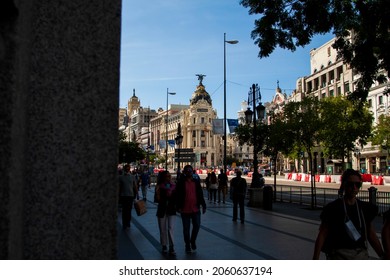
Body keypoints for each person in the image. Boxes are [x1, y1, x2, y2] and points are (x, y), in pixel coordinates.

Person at [312, 169, 384, 260]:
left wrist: (382, 255)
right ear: (344, 185)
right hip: (338, 255)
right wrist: (315, 257)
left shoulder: (365, 208)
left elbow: (370, 233)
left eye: (357, 185)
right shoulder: (333, 208)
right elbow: (323, 233)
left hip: (360, 254)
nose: (354, 188)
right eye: (350, 184)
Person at [176, 165, 206, 253]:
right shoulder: (181, 182)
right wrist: (178, 207)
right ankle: (187, 245)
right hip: (184, 209)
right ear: (184, 172)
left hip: (195, 208)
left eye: (190, 170)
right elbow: (177, 195)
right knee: (186, 229)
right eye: (187, 171)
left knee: (197, 225)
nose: (189, 172)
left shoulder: (196, 182)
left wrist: (203, 205)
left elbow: (200, 194)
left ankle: (192, 240)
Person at [155, 171, 177, 255]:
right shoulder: (159, 186)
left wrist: (172, 193)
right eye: (166, 176)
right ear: (163, 177)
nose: (168, 177)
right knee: (162, 229)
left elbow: (176, 198)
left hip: (171, 209)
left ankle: (171, 246)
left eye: (169, 176)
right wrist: (157, 193)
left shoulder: (174, 186)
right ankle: (164, 245)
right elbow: (156, 200)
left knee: (170, 228)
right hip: (162, 209)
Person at [118, 164, 138, 230]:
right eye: (126, 168)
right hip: (123, 196)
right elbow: (119, 187)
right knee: (124, 210)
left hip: (130, 196)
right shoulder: (121, 177)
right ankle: (124, 223)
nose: (127, 169)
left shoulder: (132, 177)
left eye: (128, 168)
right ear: (124, 169)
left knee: (128, 210)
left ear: (129, 169)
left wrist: (137, 194)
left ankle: (128, 222)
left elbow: (135, 186)